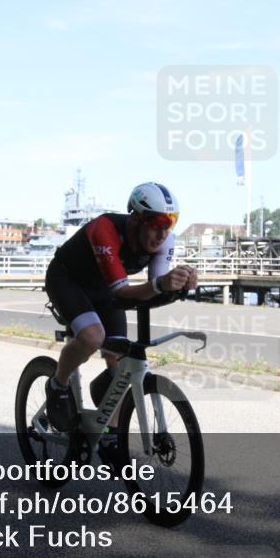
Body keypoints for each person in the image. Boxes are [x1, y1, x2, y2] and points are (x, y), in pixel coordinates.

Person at [44, 182, 197, 440]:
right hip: (67, 280)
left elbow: (154, 289)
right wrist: (161, 285)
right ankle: (57, 385)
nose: (162, 233)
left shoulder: (164, 241)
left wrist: (180, 285)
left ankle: (110, 433)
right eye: (157, 223)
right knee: (93, 337)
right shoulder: (105, 230)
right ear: (136, 219)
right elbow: (125, 292)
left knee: (120, 357)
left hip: (103, 287)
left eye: (170, 223)